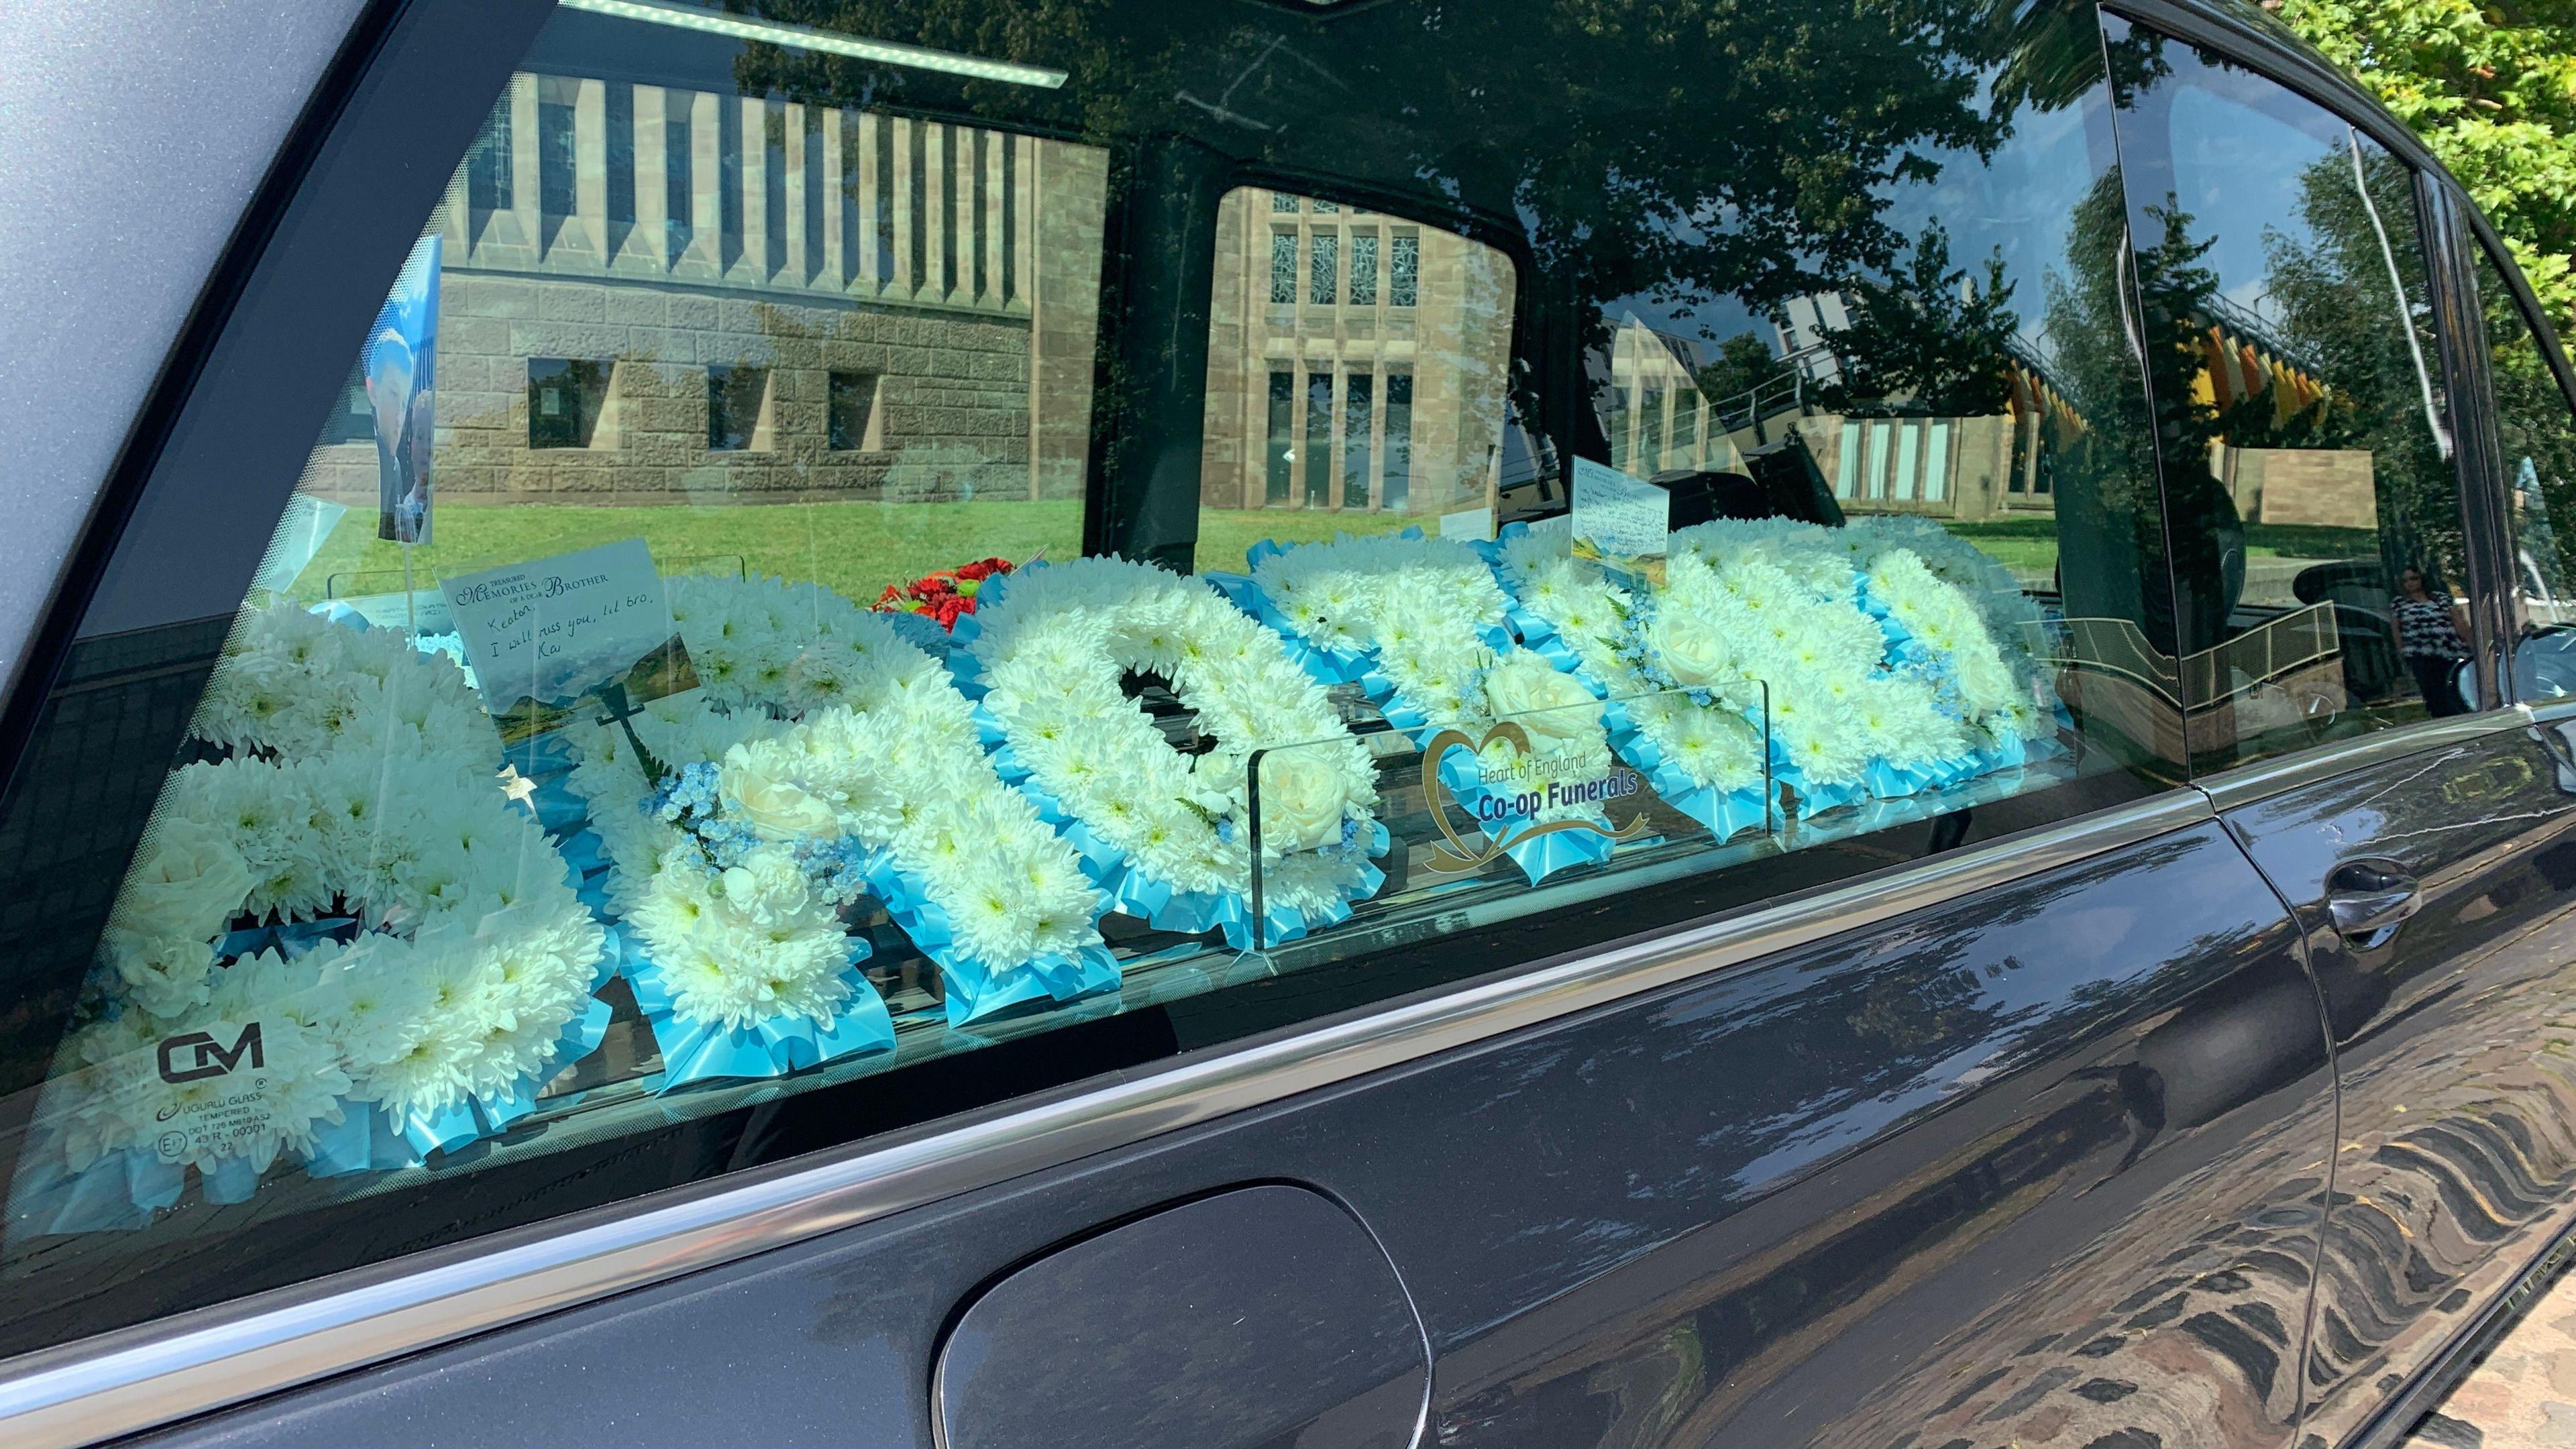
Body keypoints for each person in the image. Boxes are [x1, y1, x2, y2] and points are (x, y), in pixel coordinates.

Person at [2391, 565, 2471, 716]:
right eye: (2406, 581)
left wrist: (2471, 644)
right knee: (2432, 693)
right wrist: (2401, 652)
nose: (2410, 583)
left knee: (2452, 689)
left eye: (2414, 579)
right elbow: (2396, 630)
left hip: (2449, 652)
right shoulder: (2399, 604)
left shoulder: (2441, 598)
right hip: (2420, 656)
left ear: (2422, 579)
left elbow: (2459, 622)